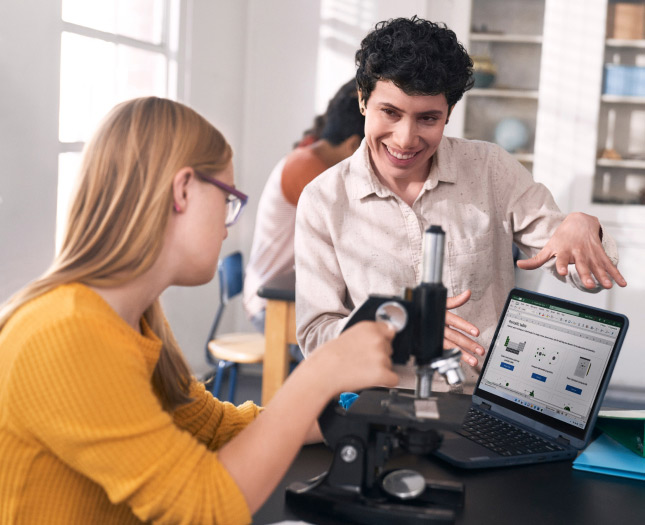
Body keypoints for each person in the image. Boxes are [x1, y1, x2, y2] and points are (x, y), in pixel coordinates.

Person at [0, 97, 398, 524]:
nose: (230, 226)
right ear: (183, 189)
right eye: (228, 198)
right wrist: (321, 373)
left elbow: (215, 428)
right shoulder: (67, 333)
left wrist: (344, 411)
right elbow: (204, 508)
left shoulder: (136, 319)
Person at [294, 16, 627, 393]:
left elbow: (587, 276)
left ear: (449, 113)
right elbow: (315, 337)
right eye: (390, 113)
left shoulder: (491, 169)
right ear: (362, 99)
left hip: (486, 400)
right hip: (380, 403)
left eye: (428, 118)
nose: (405, 139)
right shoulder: (324, 200)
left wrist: (584, 230)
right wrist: (394, 326)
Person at [243, 79, 365, 333]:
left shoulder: (313, 160)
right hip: (271, 304)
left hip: (291, 294)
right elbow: (352, 239)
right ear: (354, 144)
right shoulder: (309, 168)